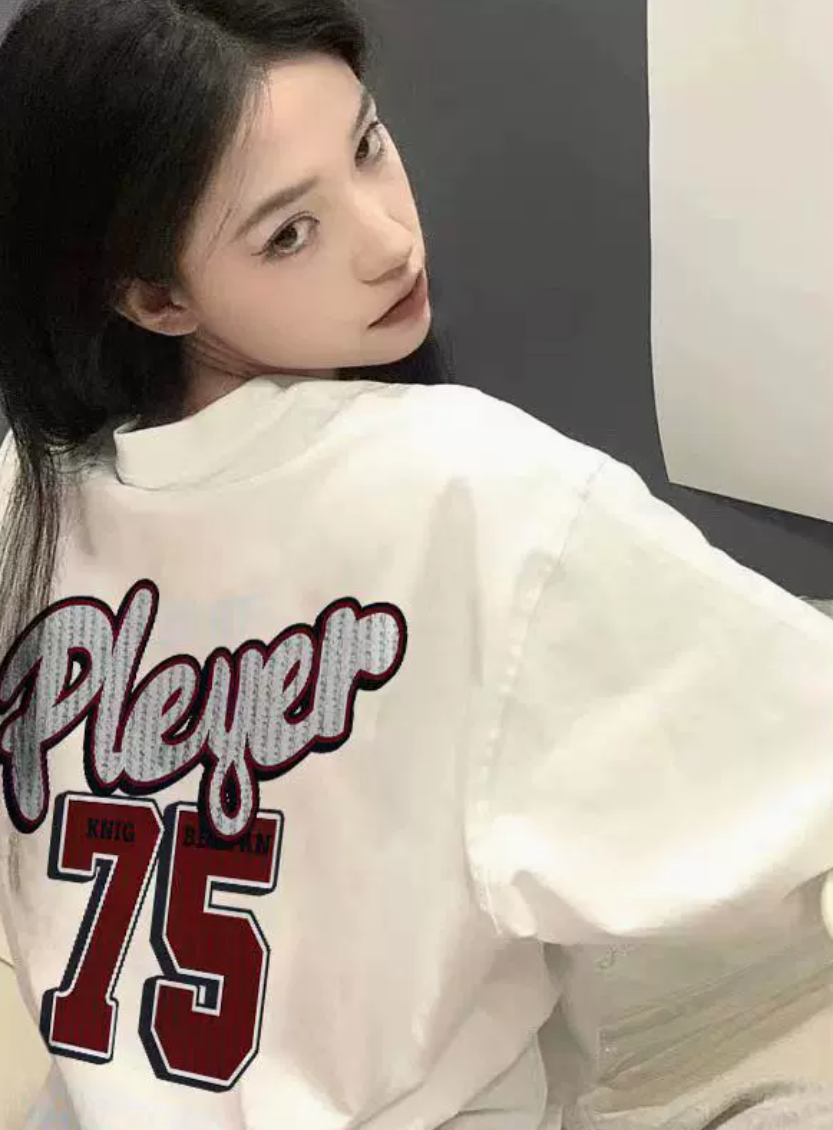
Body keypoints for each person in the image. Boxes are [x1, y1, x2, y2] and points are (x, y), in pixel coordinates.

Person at [0, 1, 832, 1128]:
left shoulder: (28, 487)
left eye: (366, 143)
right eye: (288, 233)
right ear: (155, 297)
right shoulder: (479, 493)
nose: (388, 240)